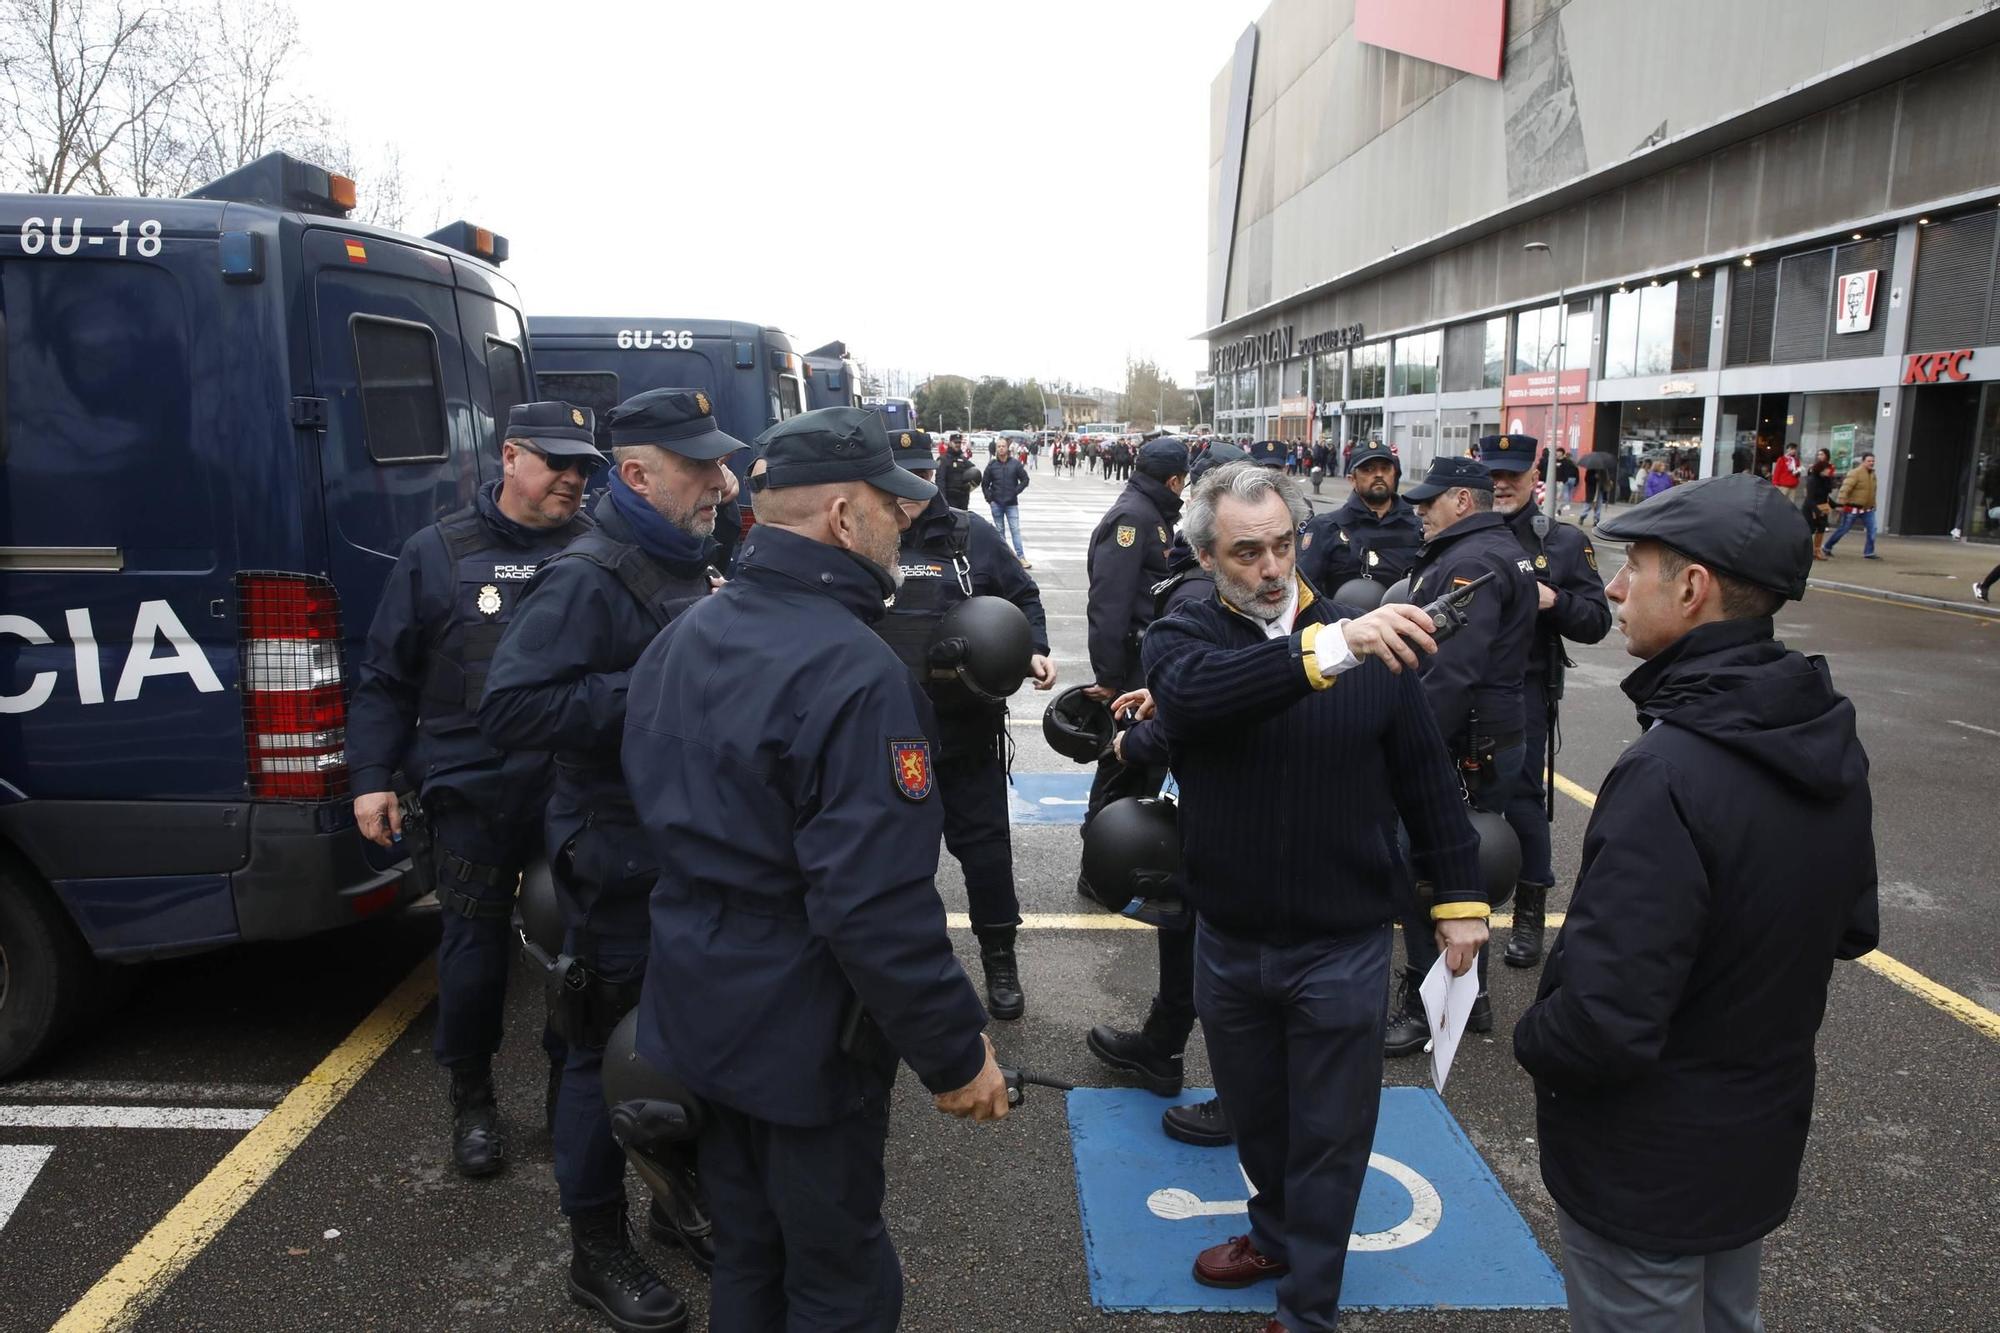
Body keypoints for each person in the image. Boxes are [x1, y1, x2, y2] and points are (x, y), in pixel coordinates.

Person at [626, 406, 1009, 1331]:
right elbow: (872, 906)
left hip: (698, 1011)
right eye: (890, 505)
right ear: (843, 518)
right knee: (839, 1278)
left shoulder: (687, 633)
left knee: (749, 1255)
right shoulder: (856, 672)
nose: (903, 521)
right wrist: (957, 1053)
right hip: (803, 1035)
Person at [1514, 473, 1879, 1333]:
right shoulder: (1818, 727)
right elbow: (1854, 925)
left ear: (1692, 587)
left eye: (1632, 565)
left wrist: (1535, 1037)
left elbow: (1605, 1021)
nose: (1610, 588)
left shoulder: (1669, 772)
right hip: (1750, 1142)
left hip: (1647, 1168)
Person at [1144, 460, 1487, 1333]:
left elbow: (1426, 779)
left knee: (1330, 1138)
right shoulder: (1187, 636)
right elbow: (1193, 698)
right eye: (1245, 551)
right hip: (1229, 937)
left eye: (1283, 546)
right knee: (1257, 1123)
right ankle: (1274, 1232)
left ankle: (1308, 1309)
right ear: (1206, 558)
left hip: (1342, 941)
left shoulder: (1365, 642)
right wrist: (1327, 650)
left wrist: (1458, 897)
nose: (1268, 568)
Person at [480, 388, 742, 1331]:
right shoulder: (590, 574)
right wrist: (660, 680)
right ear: (636, 474)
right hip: (620, 858)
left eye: (719, 462)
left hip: (686, 848)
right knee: (604, 1055)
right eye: (699, 466)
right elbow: (511, 709)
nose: (723, 479)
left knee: (692, 1044)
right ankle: (596, 1248)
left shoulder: (682, 555)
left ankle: (680, 1206)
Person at [347, 401, 601, 1178]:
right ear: (512, 456)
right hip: (474, 785)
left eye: (584, 466)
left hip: (572, 782)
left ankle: (570, 1083)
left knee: (578, 944)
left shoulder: (600, 553)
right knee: (474, 949)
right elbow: (386, 678)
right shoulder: (439, 552)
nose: (572, 479)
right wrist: (370, 780)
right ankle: (474, 1099)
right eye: (557, 462)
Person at [1085, 440, 1247, 1149]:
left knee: (1236, 941)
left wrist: (1137, 741)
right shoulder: (1216, 583)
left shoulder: (1206, 592)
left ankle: (1244, 1098)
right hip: (1219, 786)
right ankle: (1162, 1045)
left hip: (1246, 792)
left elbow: (1210, 703)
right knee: (1188, 914)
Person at [880, 428, 1057, 1019]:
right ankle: (907, 973)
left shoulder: (968, 534)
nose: (909, 494)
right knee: (898, 863)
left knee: (985, 855)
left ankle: (1000, 956)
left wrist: (1031, 646)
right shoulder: (860, 534)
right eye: (897, 481)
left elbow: (1023, 595)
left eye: (919, 479)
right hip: (890, 739)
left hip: (966, 729)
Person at [1384, 455, 1536, 1053]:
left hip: (1461, 741)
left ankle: (1430, 1007)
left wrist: (1405, 748)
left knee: (1429, 873)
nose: (1419, 511)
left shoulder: (1470, 560)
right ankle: (1470, 998)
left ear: (1463, 502)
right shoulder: (1498, 547)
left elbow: (1451, 673)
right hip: (1488, 736)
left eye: (1431, 502)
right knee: (1466, 869)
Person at [1480, 435, 1611, 971]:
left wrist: (1553, 599)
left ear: (1535, 475)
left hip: (1524, 691)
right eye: (1494, 474)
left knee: (1522, 801)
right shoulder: (1466, 532)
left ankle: (1530, 912)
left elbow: (1598, 621)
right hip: (1461, 685)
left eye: (1513, 474)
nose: (1502, 484)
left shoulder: (1558, 541)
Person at [1079, 437, 1189, 885]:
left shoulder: (1151, 514)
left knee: (1141, 768)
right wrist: (1108, 676)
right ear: (1174, 480)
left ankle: (1125, 864)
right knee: (1118, 766)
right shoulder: (1133, 518)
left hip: (1147, 662)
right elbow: (1109, 602)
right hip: (1131, 667)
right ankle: (1096, 869)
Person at [1297, 438, 1422, 594]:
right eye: (1368, 469)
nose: (1378, 475)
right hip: (1346, 616)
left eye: (1385, 469)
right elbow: (1305, 592)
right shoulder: (1326, 528)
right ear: (1352, 479)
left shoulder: (1418, 528)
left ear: (1394, 474)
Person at [981, 440, 1032, 566]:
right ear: (996, 449)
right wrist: (990, 499)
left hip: (1011, 504)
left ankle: (1020, 557)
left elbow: (1025, 480)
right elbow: (985, 484)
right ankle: (1003, 558)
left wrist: (1015, 492)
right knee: (999, 531)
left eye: (1003, 446)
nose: (1001, 449)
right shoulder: (992, 465)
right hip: (996, 503)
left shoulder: (1015, 464)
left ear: (1007, 448)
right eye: (999, 447)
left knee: (1015, 530)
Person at [1821, 451, 1879, 560]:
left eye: (1873, 461)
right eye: (1869, 461)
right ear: (1863, 461)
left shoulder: (1872, 474)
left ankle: (1869, 552)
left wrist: (1874, 504)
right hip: (1853, 507)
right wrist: (1840, 503)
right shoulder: (1855, 473)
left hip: (1867, 508)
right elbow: (1845, 488)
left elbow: (1873, 492)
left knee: (1873, 529)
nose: (1871, 463)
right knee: (1844, 529)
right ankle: (1827, 547)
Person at [1804, 448, 1838, 560]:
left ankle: (1817, 551)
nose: (1829, 471)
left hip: (1823, 506)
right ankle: (1803, 551)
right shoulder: (1812, 480)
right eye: (1827, 469)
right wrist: (1816, 511)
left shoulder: (1826, 480)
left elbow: (1826, 495)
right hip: (1811, 508)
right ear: (1821, 470)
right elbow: (1809, 498)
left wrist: (1836, 505)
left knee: (1821, 528)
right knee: (1809, 530)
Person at [1772, 443, 1803, 509]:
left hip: (1793, 485)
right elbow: (1777, 472)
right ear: (1787, 450)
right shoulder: (1782, 459)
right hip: (1782, 485)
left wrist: (1797, 472)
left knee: (1790, 505)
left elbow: (1798, 473)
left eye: (1794, 449)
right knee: (1780, 504)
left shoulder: (1796, 460)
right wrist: (1775, 483)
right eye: (1791, 449)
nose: (1793, 450)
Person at [1554, 446, 1580, 516]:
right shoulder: (1573, 463)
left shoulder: (1565, 462)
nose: (1557, 453)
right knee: (1568, 493)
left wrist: (1565, 479)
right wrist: (1577, 480)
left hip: (1564, 480)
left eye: (1559, 452)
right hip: (1568, 479)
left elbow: (1566, 472)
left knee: (1564, 493)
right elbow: (1577, 472)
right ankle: (1566, 504)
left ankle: (1564, 505)